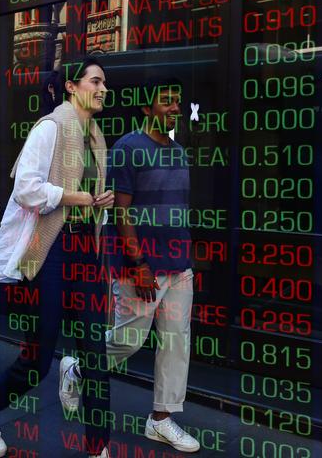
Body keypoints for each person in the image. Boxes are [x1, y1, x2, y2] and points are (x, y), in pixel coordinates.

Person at [0, 57, 114, 458]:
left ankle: (98, 449)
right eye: (95, 81)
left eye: (104, 83)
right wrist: (73, 197)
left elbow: (88, 197)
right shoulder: (50, 127)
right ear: (71, 87)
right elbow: (26, 189)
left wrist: (100, 201)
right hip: (50, 250)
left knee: (96, 359)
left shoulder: (97, 137)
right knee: (39, 358)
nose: (102, 88)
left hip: (85, 252)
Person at [65, 78, 200, 453]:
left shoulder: (178, 151)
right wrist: (138, 263)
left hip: (178, 266)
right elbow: (119, 212)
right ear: (146, 109)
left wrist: (186, 259)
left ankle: (161, 419)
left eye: (177, 101)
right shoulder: (127, 149)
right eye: (166, 102)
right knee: (127, 340)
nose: (174, 108)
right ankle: (78, 369)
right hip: (139, 266)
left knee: (176, 343)